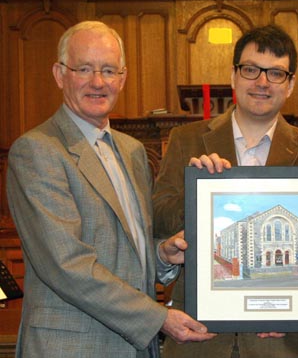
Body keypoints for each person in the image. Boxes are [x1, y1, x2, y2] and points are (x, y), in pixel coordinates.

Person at [6, 21, 215, 358]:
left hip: (134, 348)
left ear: (123, 77)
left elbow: (125, 249)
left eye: (108, 70)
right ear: (60, 75)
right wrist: (158, 317)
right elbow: (66, 265)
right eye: (84, 69)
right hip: (71, 347)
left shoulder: (132, 152)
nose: (98, 82)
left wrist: (161, 255)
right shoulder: (38, 151)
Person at [153, 24, 298, 358]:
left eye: (276, 73)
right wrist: (197, 193)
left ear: (291, 83)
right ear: (234, 75)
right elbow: (159, 220)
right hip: (199, 339)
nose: (262, 82)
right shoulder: (186, 141)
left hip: (284, 345)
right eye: (251, 69)